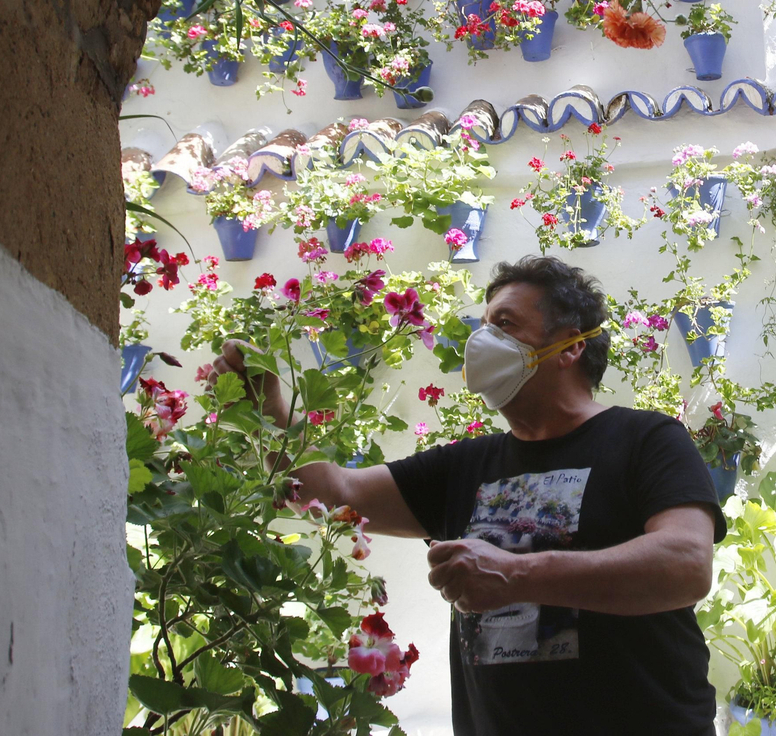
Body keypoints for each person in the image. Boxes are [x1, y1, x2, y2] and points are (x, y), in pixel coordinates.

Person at [211, 255, 725, 735]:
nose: (482, 341)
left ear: (571, 346)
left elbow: (685, 564)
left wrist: (516, 574)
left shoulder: (647, 439)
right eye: (483, 325)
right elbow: (333, 492)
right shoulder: (463, 466)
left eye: (504, 324)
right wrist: (267, 406)